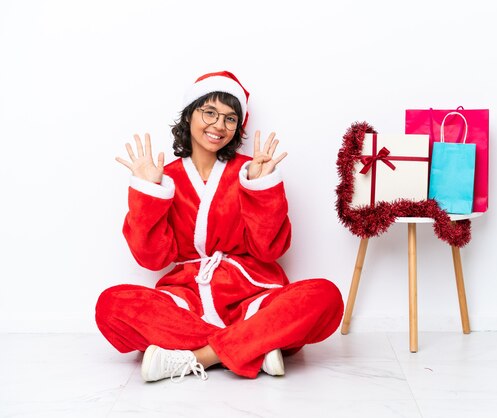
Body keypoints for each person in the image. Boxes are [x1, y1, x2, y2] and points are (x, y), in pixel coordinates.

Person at [95, 71, 344, 382]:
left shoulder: (250, 171)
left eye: (230, 118)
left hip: (252, 295)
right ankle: (256, 347)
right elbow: (152, 259)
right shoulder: (166, 177)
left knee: (326, 296)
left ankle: (200, 357)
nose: (219, 125)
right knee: (111, 305)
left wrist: (261, 186)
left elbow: (270, 251)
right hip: (188, 301)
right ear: (189, 115)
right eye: (209, 112)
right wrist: (148, 191)